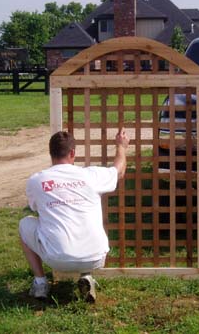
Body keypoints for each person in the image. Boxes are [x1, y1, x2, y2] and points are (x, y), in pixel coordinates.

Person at [19, 128, 129, 302]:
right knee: (83, 220)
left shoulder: (37, 180)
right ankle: (86, 276)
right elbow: (119, 171)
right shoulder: (91, 175)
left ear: (51, 154)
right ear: (72, 153)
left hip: (57, 259)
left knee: (25, 224)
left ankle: (40, 283)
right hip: (96, 257)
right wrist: (121, 146)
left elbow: (35, 208)